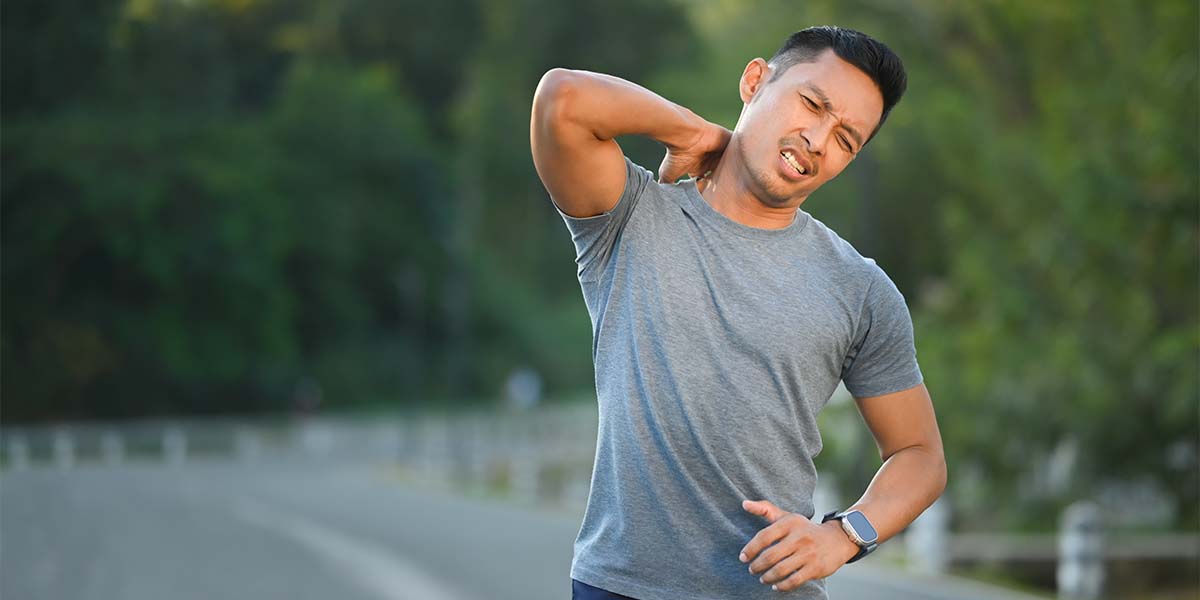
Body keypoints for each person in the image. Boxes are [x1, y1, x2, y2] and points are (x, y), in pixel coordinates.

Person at [530, 25, 947, 600]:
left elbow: (920, 455)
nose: (819, 140)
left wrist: (844, 536)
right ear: (755, 80)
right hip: (619, 585)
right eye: (812, 104)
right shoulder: (630, 218)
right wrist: (695, 132)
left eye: (847, 138)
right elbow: (563, 100)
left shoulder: (859, 288)